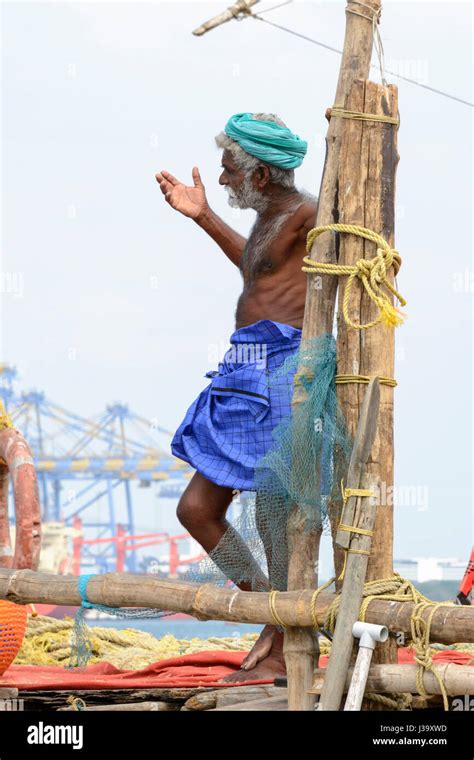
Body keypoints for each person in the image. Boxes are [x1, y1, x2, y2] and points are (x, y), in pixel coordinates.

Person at [155, 112, 317, 682]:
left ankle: (282, 645)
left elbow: (359, 268)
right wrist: (203, 217)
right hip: (241, 363)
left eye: (229, 171)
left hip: (286, 367)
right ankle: (274, 620)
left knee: (277, 509)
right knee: (196, 510)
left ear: (262, 173)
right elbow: (258, 273)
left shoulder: (312, 213)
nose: (223, 180)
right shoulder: (272, 217)